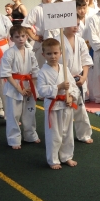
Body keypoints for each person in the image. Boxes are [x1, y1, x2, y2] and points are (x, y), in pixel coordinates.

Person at [36, 38, 79, 169]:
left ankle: (67, 156)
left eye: (55, 53)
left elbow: (73, 86)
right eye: (49, 53)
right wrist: (58, 87)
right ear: (43, 55)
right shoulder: (42, 72)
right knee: (54, 134)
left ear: (61, 53)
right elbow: (41, 91)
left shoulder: (64, 69)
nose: (53, 56)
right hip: (53, 106)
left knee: (67, 133)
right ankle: (53, 159)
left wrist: (71, 96)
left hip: (66, 104)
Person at [0, 25, 40, 149]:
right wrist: (19, 89)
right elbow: (6, 74)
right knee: (13, 115)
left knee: (30, 112)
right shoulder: (9, 53)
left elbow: (35, 72)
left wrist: (32, 88)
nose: (21, 39)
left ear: (27, 37)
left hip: (28, 85)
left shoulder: (30, 53)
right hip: (14, 87)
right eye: (17, 37)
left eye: (23, 36)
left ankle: (30, 135)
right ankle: (14, 139)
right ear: (11, 39)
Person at [60, 11, 94, 143]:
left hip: (78, 79)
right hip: (63, 80)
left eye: (78, 24)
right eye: (73, 24)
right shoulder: (57, 40)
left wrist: (84, 77)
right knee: (65, 110)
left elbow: (86, 60)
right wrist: (67, 78)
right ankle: (63, 136)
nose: (76, 27)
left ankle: (84, 134)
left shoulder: (80, 40)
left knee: (80, 108)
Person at [22, 0, 58, 68]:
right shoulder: (37, 9)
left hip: (57, 41)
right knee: (41, 67)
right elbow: (26, 25)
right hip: (43, 43)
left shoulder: (57, 7)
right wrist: (34, 37)